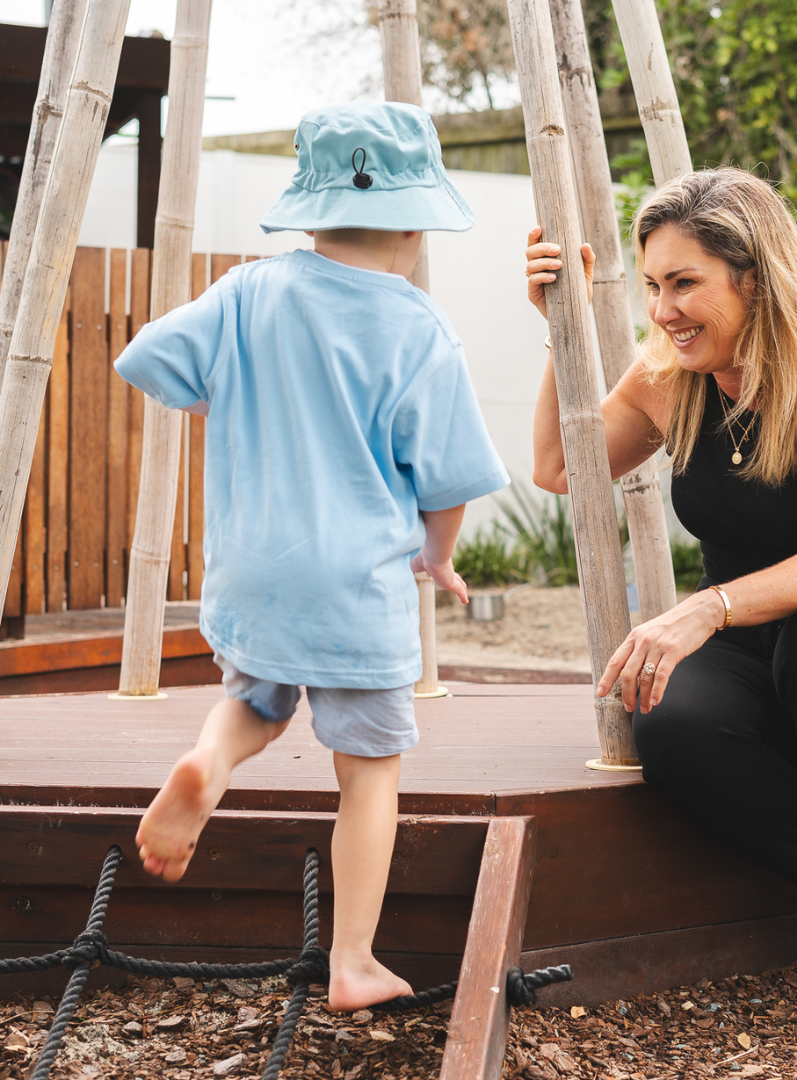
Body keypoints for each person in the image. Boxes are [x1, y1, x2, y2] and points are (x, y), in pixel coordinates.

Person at [525, 168, 797, 1052]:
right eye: (653, 284)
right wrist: (559, 334)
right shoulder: (672, 380)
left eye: (684, 283)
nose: (662, 310)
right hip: (756, 653)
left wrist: (706, 608)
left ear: (754, 279)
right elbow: (562, 469)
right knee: (670, 721)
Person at [116, 101, 510, 1012]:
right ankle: (354, 961)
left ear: (307, 208)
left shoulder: (251, 291)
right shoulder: (417, 328)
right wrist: (437, 556)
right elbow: (443, 480)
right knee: (368, 775)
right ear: (416, 224)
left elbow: (150, 359)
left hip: (256, 570)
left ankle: (210, 764)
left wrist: (239, 405)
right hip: (356, 583)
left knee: (253, 701)